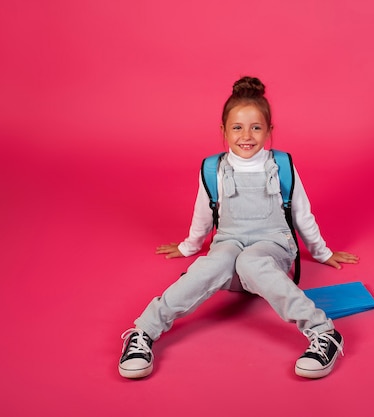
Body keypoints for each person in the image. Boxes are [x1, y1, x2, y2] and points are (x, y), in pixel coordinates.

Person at [118, 76, 359, 379]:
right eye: (237, 127)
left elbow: (301, 212)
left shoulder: (281, 165)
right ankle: (144, 332)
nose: (247, 135)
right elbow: (203, 215)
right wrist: (188, 246)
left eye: (256, 127)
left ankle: (323, 333)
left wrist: (322, 253)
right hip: (229, 250)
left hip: (272, 248)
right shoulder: (212, 169)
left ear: (269, 131)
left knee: (251, 261)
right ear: (224, 131)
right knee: (211, 264)